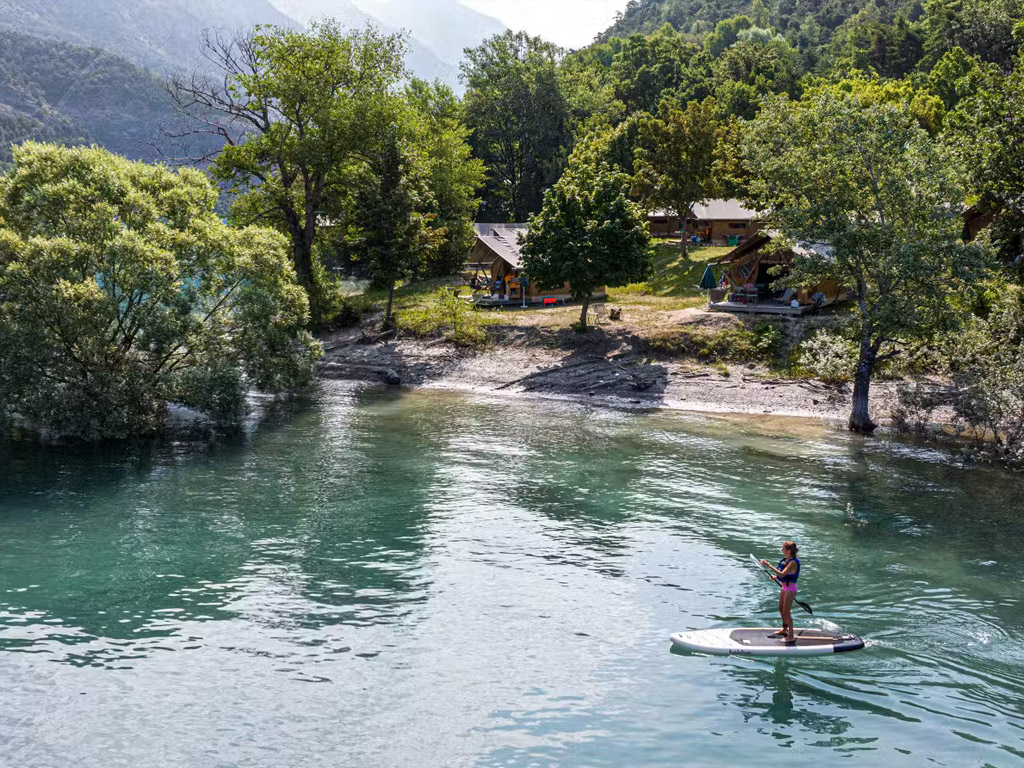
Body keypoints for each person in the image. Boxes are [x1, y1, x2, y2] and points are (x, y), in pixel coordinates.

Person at [761, 541, 800, 643]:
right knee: (781, 609)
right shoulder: (786, 560)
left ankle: (791, 636)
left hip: (791, 589)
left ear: (788, 550)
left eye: (783, 548)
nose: (782, 550)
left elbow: (782, 574)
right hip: (784, 588)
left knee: (786, 612)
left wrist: (768, 565)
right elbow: (782, 576)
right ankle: (784, 629)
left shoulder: (793, 562)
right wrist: (776, 577)